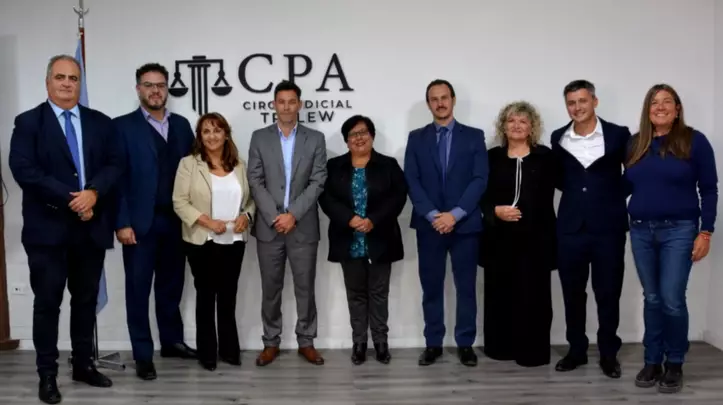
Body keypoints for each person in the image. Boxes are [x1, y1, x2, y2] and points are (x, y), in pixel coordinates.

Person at [8, 54, 124, 404]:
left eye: (73, 78)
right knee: (48, 304)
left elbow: (115, 164)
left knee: (85, 301)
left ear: (79, 83)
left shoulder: (101, 122)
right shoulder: (28, 122)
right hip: (48, 232)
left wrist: (94, 193)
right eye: (60, 77)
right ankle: (47, 374)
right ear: (48, 82)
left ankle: (83, 365)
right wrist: (74, 199)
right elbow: (24, 170)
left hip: (90, 229)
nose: (67, 84)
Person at [625, 84, 717, 393]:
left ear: (677, 109)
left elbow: (709, 189)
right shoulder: (635, 143)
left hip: (679, 230)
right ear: (647, 109)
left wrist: (706, 231)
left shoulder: (694, 141)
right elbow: (625, 185)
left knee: (672, 300)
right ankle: (652, 360)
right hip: (640, 230)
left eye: (667, 102)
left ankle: (674, 362)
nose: (660, 107)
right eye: (654, 102)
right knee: (652, 298)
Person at [114, 63, 196, 380]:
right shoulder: (122, 127)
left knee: (171, 287)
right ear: (139, 89)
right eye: (148, 85)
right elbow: (117, 180)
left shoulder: (182, 126)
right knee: (138, 291)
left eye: (160, 85)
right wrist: (122, 222)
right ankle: (143, 355)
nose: (155, 91)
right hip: (139, 225)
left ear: (167, 89)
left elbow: (196, 171)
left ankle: (172, 341)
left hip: (176, 222)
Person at [404, 79, 488, 367]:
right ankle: (433, 343)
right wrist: (433, 215)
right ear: (429, 104)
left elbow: (480, 179)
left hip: (465, 226)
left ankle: (465, 343)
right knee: (431, 287)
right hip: (429, 226)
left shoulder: (474, 136)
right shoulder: (416, 138)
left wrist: (455, 214)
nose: (440, 103)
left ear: (453, 100)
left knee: (466, 288)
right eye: (434, 99)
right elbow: (412, 180)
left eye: (444, 97)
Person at [551, 80, 631, 378]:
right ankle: (577, 350)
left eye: (582, 101)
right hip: (570, 227)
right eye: (571, 103)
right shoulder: (558, 137)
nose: (577, 107)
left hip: (608, 227)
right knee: (572, 293)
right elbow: (560, 178)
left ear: (594, 101)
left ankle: (609, 353)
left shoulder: (618, 134)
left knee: (608, 292)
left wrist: (609, 196)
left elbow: (633, 173)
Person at [247, 80, 328, 366]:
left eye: (292, 102)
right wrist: (275, 216)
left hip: (302, 226)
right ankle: (271, 342)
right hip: (269, 228)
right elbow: (255, 180)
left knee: (306, 288)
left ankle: (306, 341)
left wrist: (292, 214)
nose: (286, 107)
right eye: (281, 102)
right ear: (274, 105)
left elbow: (318, 180)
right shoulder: (259, 138)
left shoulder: (315, 138)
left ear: (299, 105)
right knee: (271, 290)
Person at [319, 115, 407, 365]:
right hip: (348, 239)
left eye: (363, 133)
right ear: (346, 140)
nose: (359, 138)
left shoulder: (388, 165)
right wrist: (349, 219)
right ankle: (359, 343)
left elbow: (398, 196)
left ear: (372, 136)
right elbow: (326, 198)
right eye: (353, 134)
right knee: (355, 294)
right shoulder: (334, 166)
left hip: (380, 238)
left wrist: (373, 220)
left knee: (379, 293)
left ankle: (380, 342)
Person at [173, 113, 256, 371]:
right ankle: (207, 353)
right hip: (202, 240)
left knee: (228, 296)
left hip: (234, 241)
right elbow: (179, 202)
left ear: (226, 134)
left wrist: (246, 217)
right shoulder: (189, 164)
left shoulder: (239, 165)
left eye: (217, 130)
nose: (212, 136)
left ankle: (230, 350)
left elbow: (250, 201)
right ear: (200, 136)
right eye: (206, 131)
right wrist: (208, 222)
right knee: (206, 296)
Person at [479, 101, 556, 367]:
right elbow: (478, 194)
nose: (517, 125)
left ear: (532, 127)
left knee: (534, 297)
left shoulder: (546, 157)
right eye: (511, 121)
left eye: (523, 121)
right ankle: (501, 348)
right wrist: (494, 211)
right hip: (499, 240)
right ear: (503, 126)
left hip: (536, 240)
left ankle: (532, 352)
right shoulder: (491, 157)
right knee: (500, 295)